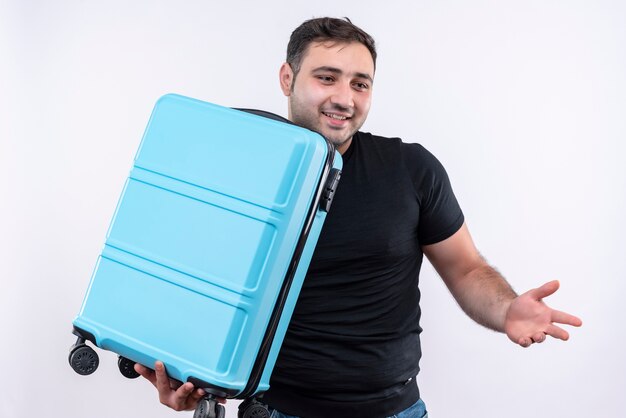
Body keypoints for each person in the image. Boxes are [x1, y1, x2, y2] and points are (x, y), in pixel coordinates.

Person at [134, 17, 582, 418]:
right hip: (274, 410)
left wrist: (507, 308)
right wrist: (187, 376)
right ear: (287, 78)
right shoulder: (235, 168)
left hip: (397, 410)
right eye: (326, 78)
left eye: (360, 84)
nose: (344, 98)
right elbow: (193, 282)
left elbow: (466, 268)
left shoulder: (411, 168)